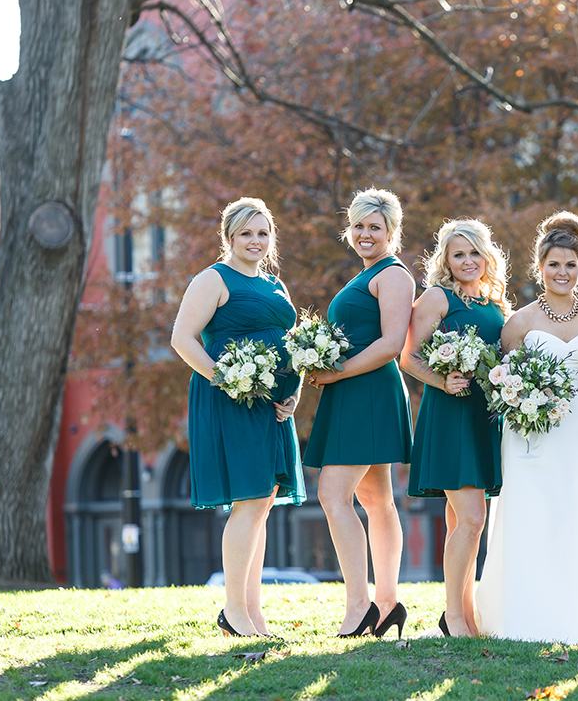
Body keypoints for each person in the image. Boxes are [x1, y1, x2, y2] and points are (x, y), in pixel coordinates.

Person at [476, 212, 578, 645]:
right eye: (554, 265)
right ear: (539, 267)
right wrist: (525, 409)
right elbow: (503, 383)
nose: (563, 273)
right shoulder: (519, 323)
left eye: (571, 265)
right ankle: (529, 619)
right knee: (535, 520)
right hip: (534, 435)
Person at [171, 197, 306, 637]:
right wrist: (227, 379)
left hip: (271, 407)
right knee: (249, 500)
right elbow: (182, 339)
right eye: (246, 232)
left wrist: (294, 393)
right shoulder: (213, 279)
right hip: (231, 400)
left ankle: (252, 611)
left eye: (263, 232)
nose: (256, 240)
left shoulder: (275, 286)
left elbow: (289, 344)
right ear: (229, 237)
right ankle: (233, 610)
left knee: (263, 503)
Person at [302, 189, 415, 639]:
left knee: (333, 495)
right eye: (359, 226)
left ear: (391, 232)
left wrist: (337, 372)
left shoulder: (394, 275)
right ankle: (387, 605)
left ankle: (359, 607)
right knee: (375, 500)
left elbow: (391, 344)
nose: (365, 234)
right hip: (354, 391)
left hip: (367, 391)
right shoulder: (365, 273)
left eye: (375, 227)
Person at [400, 218, 510, 638]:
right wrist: (442, 380)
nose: (467, 261)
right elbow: (409, 357)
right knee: (472, 518)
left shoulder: (496, 305)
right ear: (445, 259)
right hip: (450, 416)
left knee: (460, 520)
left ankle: (463, 612)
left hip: (485, 417)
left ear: (487, 256)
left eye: (473, 253)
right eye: (458, 253)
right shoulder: (437, 297)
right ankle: (454, 616)